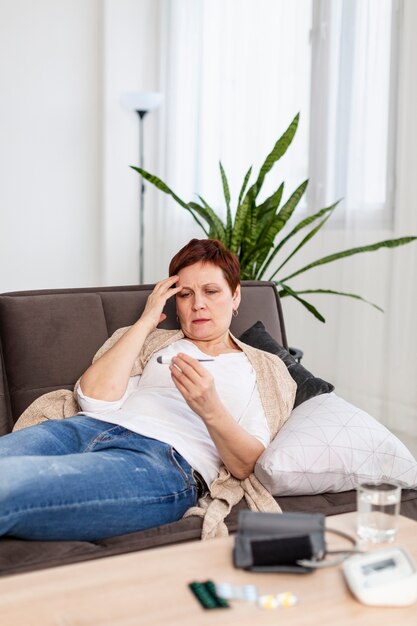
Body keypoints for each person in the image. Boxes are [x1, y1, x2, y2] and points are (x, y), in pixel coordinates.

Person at [0, 239, 296, 541]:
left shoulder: (262, 368)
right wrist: (146, 320)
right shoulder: (154, 343)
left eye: (211, 291)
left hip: (159, 462)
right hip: (86, 429)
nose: (198, 305)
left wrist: (210, 408)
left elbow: (245, 464)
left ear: (235, 296)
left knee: (8, 486)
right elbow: (92, 399)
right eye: (185, 294)